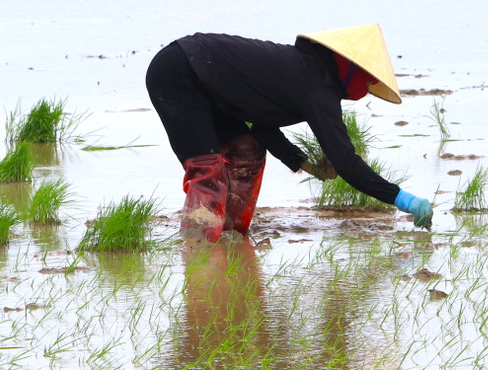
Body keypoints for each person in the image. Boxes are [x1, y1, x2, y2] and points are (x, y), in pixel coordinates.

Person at [145, 23, 434, 241]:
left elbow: (262, 124)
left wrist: (301, 162)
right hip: (180, 73)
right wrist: (401, 198)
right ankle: (197, 248)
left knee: (247, 153)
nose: (367, 88)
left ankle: (228, 236)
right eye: (368, 81)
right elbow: (346, 163)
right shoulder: (318, 86)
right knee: (207, 173)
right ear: (350, 68)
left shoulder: (306, 73)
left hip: (201, 78)